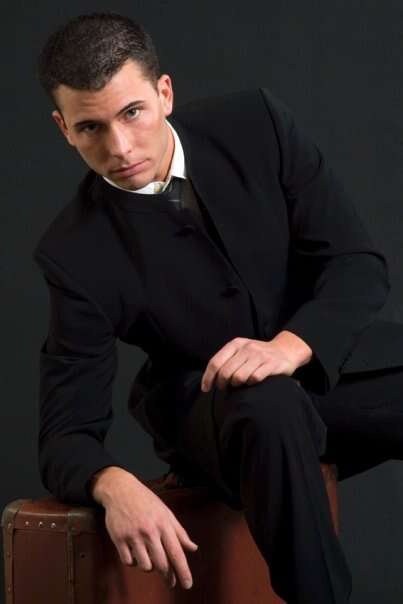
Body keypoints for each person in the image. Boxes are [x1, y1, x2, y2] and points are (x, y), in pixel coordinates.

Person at [34, 12, 403, 604]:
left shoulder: (256, 124)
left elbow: (356, 262)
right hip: (220, 417)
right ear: (63, 129)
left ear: (165, 93)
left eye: (132, 113)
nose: (119, 148)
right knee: (270, 405)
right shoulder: (73, 252)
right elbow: (64, 433)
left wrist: (288, 348)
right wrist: (110, 481)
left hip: (319, 374)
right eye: (90, 128)